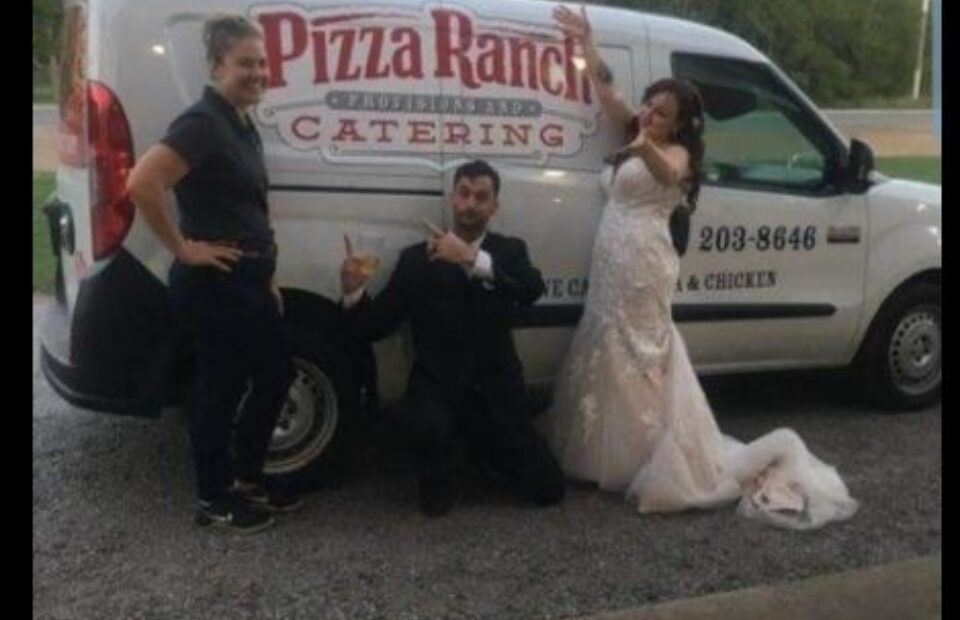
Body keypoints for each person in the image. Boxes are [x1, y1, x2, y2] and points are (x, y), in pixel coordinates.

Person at [548, 5, 858, 529]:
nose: (649, 114)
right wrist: (587, 44)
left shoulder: (677, 155)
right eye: (650, 105)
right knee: (605, 340)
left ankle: (645, 455)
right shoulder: (637, 129)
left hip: (644, 265)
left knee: (639, 351)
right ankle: (603, 449)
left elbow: (667, 175)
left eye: (661, 112)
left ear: (680, 123)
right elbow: (607, 90)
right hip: (612, 262)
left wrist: (644, 145)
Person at [127, 15, 301, 534]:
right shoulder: (203, 122)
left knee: (275, 374)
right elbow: (142, 183)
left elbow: (250, 206)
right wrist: (182, 248)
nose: (258, 73)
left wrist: (267, 274)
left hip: (248, 280)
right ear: (217, 65)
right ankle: (214, 499)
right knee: (219, 389)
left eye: (263, 63)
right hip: (216, 284)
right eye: (246, 63)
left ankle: (246, 480)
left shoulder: (241, 123)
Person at [340, 160, 566, 517]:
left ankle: (486, 453)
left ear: (494, 207)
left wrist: (473, 260)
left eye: (481, 196)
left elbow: (530, 290)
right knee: (433, 505)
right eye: (464, 193)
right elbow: (375, 326)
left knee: (548, 490)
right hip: (437, 390)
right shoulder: (416, 259)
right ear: (452, 198)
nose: (470, 203)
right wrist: (353, 292)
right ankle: (456, 455)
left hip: (497, 389)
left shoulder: (509, 251)